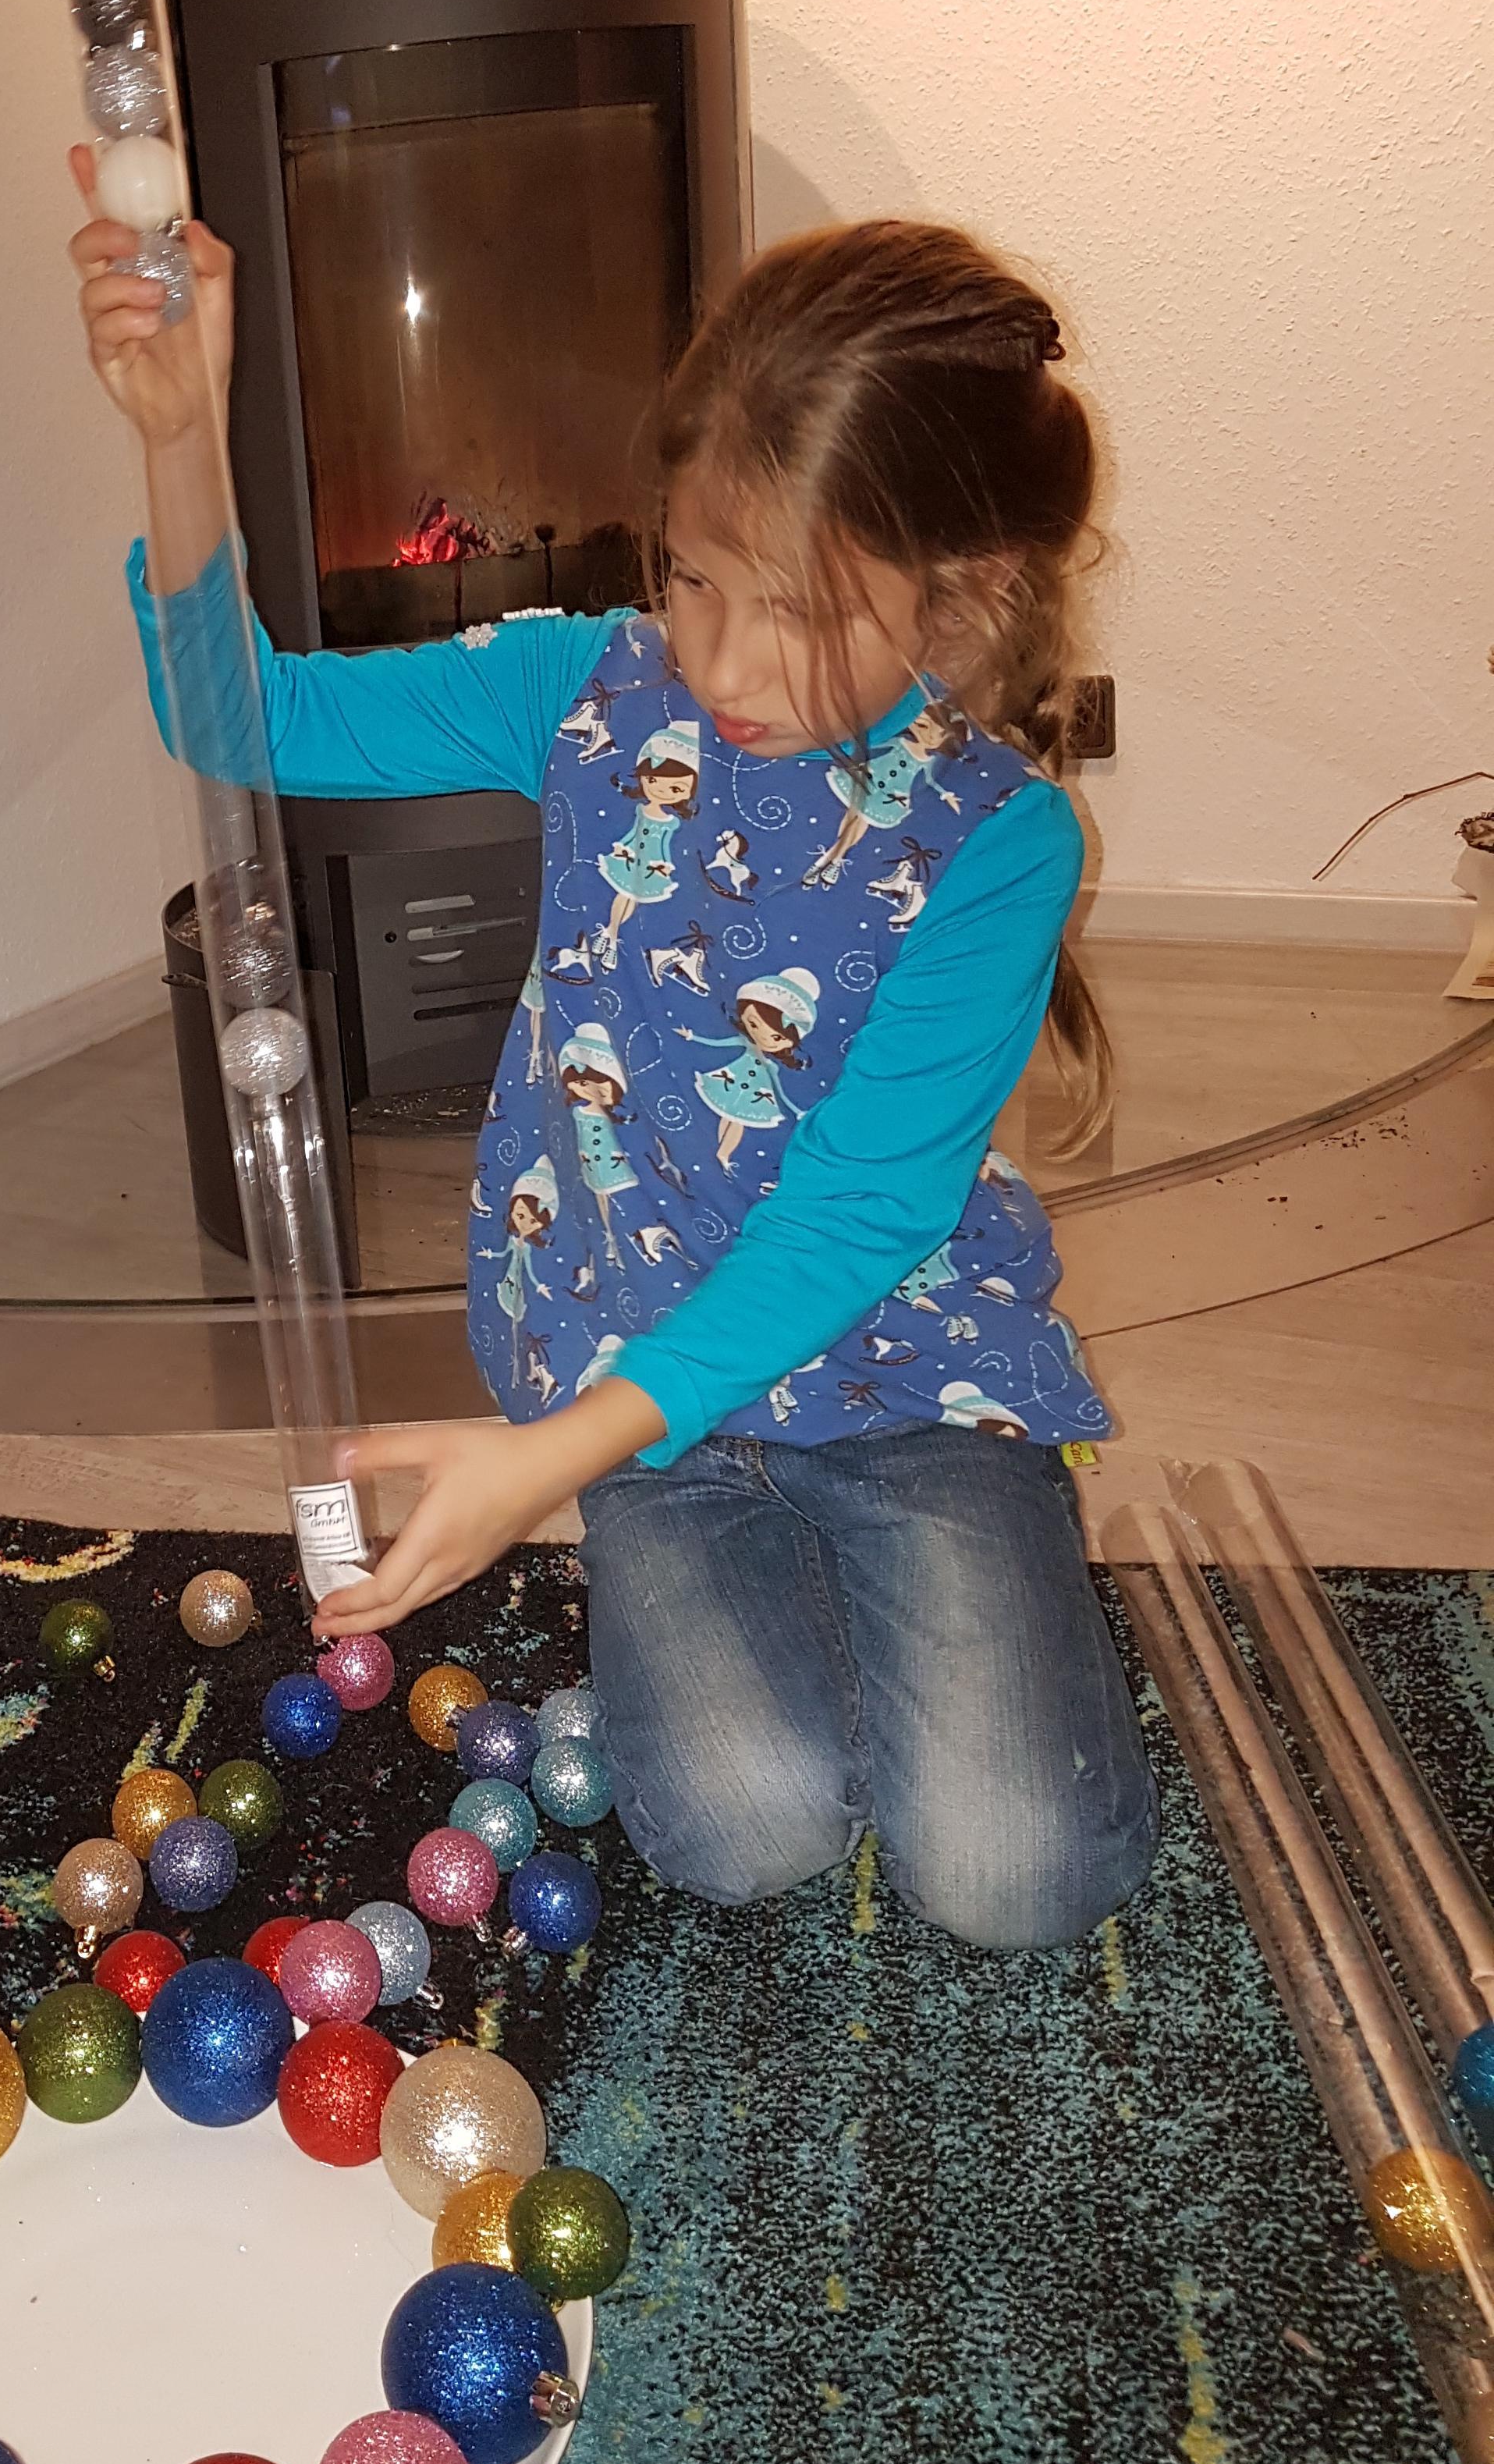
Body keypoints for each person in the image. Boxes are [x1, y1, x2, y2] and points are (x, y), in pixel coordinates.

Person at [73, 160, 1155, 1953]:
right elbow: (238, 718)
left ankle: (969, 1548)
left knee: (1016, 1878)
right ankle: (756, 1557)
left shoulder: (998, 842)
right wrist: (180, 437)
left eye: (803, 610)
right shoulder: (587, 687)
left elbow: (856, 1217)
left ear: (961, 593)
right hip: (632, 1383)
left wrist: (542, 1463)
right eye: (695, 574)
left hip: (897, 1372)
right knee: (740, 1834)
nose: (723, 657)